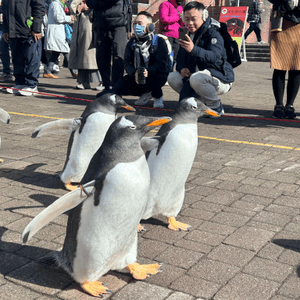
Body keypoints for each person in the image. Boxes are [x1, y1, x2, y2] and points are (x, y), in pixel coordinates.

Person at [167, 1, 234, 115]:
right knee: (172, 77)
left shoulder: (214, 33)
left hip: (219, 77)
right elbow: (180, 59)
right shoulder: (187, 34)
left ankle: (215, 106)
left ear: (203, 16)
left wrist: (193, 49)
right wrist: (182, 69)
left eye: (194, 19)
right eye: (187, 19)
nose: (190, 23)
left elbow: (215, 57)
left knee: (197, 78)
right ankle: (199, 103)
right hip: (195, 77)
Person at [114, 11, 169, 109]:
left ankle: (157, 96)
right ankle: (145, 93)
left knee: (154, 77)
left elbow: (161, 63)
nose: (136, 26)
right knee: (118, 85)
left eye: (140, 23)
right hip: (138, 74)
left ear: (149, 26)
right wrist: (133, 72)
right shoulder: (132, 42)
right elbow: (127, 61)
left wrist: (148, 71)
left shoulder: (159, 41)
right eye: (135, 23)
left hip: (155, 75)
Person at [85, 0, 132, 92]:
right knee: (101, 57)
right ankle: (107, 86)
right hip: (100, 23)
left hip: (119, 23)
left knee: (118, 56)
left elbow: (110, 2)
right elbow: (89, 2)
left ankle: (116, 88)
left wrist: (97, 4)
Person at [2, 0, 45, 96]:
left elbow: (39, 7)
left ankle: (32, 84)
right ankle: (20, 82)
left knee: (31, 57)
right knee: (17, 57)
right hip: (13, 29)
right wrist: (6, 29)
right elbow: (5, 9)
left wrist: (36, 28)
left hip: (28, 28)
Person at [268, 0, 300, 119]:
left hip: (299, 25)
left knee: (297, 67)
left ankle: (290, 105)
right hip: (281, 23)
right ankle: (279, 105)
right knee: (279, 66)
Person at [68, 0, 102, 90]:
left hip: (91, 25)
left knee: (91, 57)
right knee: (81, 56)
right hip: (80, 26)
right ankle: (83, 81)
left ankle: (103, 81)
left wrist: (86, 6)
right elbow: (73, 7)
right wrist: (79, 7)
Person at [43, 0, 76, 79]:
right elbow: (58, 18)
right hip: (56, 33)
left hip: (58, 32)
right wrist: (69, 18)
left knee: (56, 52)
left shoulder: (58, 4)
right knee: (66, 51)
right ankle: (74, 72)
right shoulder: (55, 4)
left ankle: (48, 71)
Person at [159, 0, 185, 70]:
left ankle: (172, 72)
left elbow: (182, 23)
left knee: (176, 57)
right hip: (167, 34)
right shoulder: (165, 4)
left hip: (177, 35)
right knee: (166, 56)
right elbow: (164, 19)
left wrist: (183, 18)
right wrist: (178, 17)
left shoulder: (180, 7)